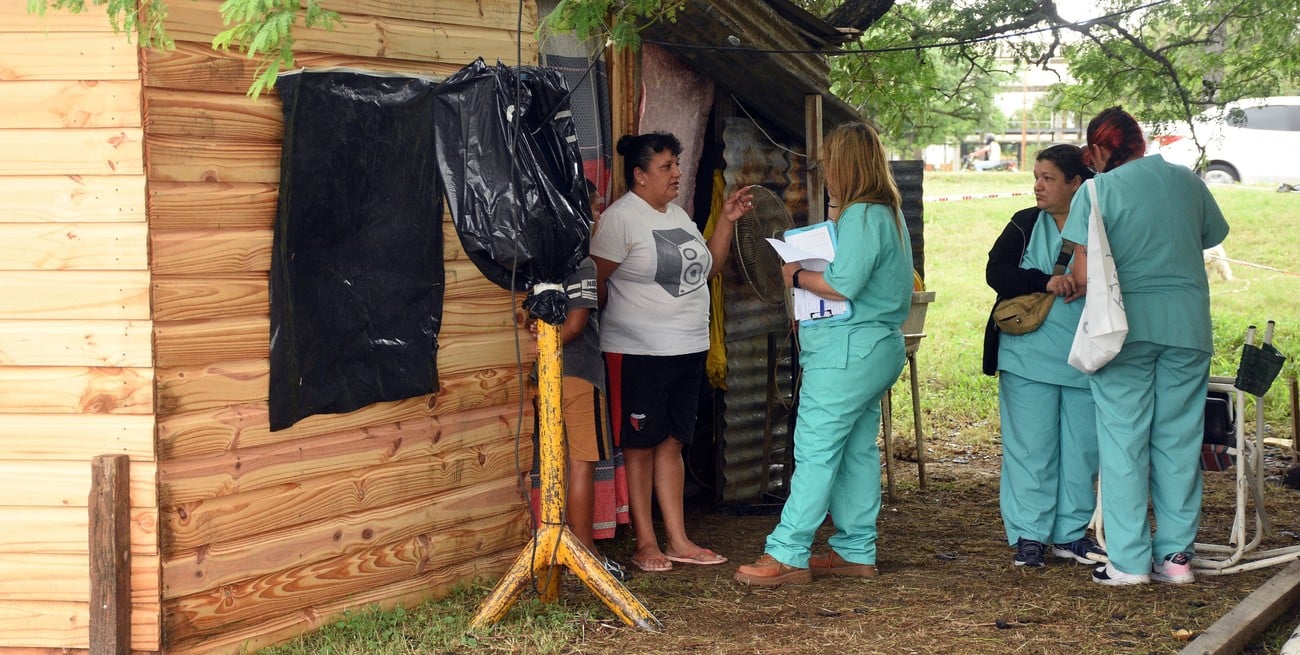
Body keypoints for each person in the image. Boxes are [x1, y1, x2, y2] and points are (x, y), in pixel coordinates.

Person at [733, 122, 914, 587]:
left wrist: (794, 274)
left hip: (847, 349)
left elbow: (840, 284)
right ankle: (855, 549)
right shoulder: (883, 212)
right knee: (855, 451)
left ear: (845, 165)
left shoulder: (863, 215)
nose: (824, 172)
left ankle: (788, 552)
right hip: (874, 346)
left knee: (814, 451)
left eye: (829, 163)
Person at [1061, 107, 1229, 586]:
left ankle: (1129, 561)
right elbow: (1208, 237)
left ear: (1097, 150)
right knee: (1178, 440)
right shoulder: (1190, 182)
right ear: (1140, 141)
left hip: (1123, 330)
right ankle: (1176, 559)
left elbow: (1083, 274)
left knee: (1123, 440)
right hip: (1188, 326)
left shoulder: (1095, 191)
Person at [589, 132, 753, 573]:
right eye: (666, 167)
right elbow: (596, 285)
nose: (677, 173)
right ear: (640, 176)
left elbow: (708, 270)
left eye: (676, 164)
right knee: (640, 446)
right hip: (638, 352)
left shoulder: (678, 215)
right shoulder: (620, 220)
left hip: (688, 348)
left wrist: (727, 221)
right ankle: (646, 543)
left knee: (673, 442)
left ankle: (678, 539)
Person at [983, 144, 1106, 569]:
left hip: (1086, 353)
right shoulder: (1025, 222)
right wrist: (1046, 281)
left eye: (1049, 178)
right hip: (1027, 355)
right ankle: (1028, 535)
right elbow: (995, 273)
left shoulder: (1100, 223)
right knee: (1029, 448)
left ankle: (1070, 534)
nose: (1038, 185)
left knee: (1082, 449)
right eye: (1036, 176)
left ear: (1077, 183)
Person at [525, 179, 629, 582]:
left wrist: (537, 333)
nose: (599, 215)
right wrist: (547, 336)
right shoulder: (582, 263)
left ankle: (563, 552)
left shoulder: (545, 263)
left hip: (548, 377)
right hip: (580, 374)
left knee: (557, 464)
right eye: (595, 208)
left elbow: (531, 320)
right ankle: (583, 555)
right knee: (581, 464)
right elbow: (574, 325)